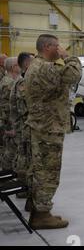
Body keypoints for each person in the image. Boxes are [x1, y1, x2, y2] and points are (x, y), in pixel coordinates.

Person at [24, 34, 82, 230]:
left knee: (38, 170)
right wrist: (69, 57)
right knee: (48, 173)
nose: (60, 49)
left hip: (41, 126)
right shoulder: (45, 68)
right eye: (57, 46)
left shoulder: (35, 66)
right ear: (48, 47)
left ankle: (36, 207)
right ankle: (41, 215)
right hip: (48, 128)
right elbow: (74, 75)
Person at [10, 53, 35, 202]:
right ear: (26, 64)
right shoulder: (22, 83)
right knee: (26, 159)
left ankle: (24, 188)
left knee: (24, 157)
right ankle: (24, 189)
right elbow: (27, 107)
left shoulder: (20, 81)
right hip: (24, 128)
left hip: (22, 127)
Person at [0, 57, 21, 171]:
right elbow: (7, 107)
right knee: (10, 151)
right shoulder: (9, 83)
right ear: (14, 67)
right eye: (19, 64)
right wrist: (11, 127)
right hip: (9, 123)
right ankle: (6, 175)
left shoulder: (11, 81)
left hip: (10, 122)